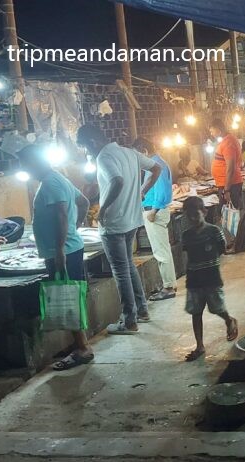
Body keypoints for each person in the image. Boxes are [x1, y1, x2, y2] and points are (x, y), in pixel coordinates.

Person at [77, 124, 161, 335]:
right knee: (128, 266)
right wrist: (141, 192)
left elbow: (117, 180)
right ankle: (142, 310)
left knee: (120, 270)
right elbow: (156, 168)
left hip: (114, 222)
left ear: (93, 142)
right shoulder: (129, 152)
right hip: (131, 219)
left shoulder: (104, 157)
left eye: (86, 148)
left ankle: (129, 320)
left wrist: (102, 210)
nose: (87, 153)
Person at [15, 144, 93, 370]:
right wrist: (75, 226)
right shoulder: (58, 179)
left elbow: (61, 213)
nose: (25, 171)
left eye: (25, 166)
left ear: (34, 163)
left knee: (68, 297)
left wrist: (59, 248)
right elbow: (84, 202)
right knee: (70, 295)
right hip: (66, 248)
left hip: (63, 251)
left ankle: (82, 348)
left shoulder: (51, 183)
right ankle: (78, 343)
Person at [180, 196, 239, 361]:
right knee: (196, 312)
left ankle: (229, 320)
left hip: (212, 278)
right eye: (189, 216)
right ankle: (199, 345)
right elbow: (188, 254)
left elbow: (222, 249)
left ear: (204, 212)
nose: (192, 219)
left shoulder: (214, 231)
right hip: (193, 280)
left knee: (217, 308)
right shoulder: (186, 235)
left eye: (196, 215)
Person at [133, 138, 177, 301]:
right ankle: (169, 284)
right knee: (162, 249)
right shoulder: (158, 163)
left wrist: (154, 210)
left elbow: (163, 190)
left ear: (143, 150)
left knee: (161, 251)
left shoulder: (156, 165)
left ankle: (168, 288)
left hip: (154, 211)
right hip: (154, 210)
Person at [208, 119, 245, 209]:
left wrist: (227, 190)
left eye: (212, 131)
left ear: (218, 129)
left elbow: (230, 167)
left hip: (230, 185)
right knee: (227, 213)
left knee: (231, 215)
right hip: (226, 184)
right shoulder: (226, 140)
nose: (211, 134)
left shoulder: (228, 142)